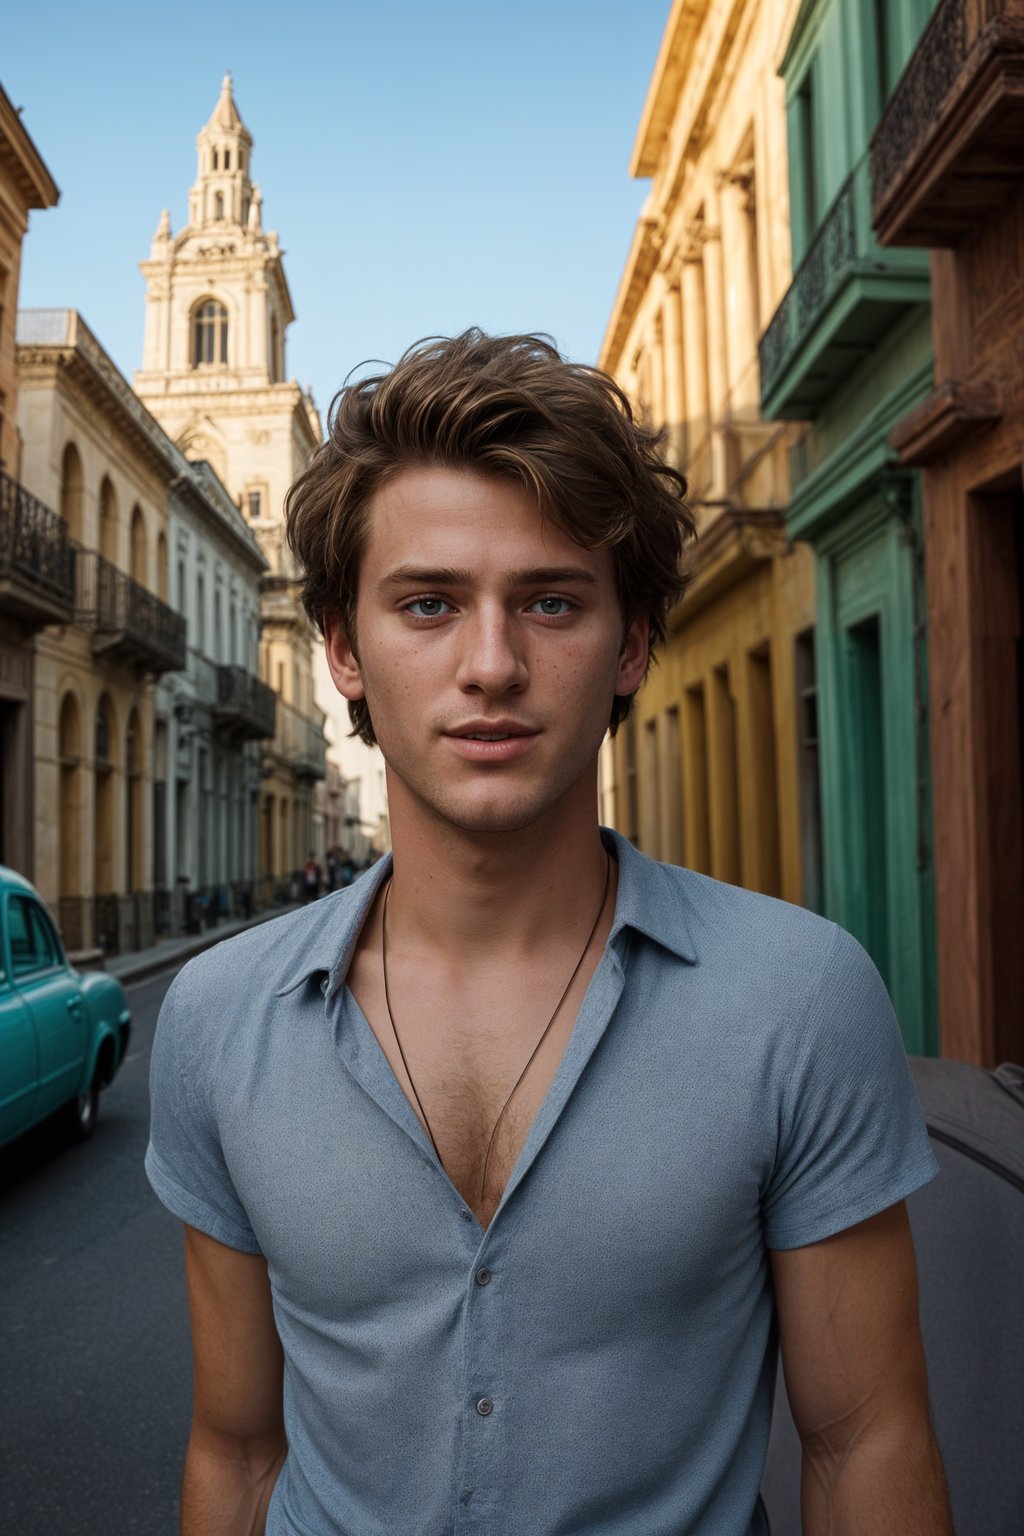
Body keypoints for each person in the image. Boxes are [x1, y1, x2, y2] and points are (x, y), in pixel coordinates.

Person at [146, 331, 953, 1536]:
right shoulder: (217, 1020)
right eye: (427, 604)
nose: (491, 665)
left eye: (552, 602)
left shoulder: (797, 996)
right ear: (343, 651)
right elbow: (236, 1450)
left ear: (629, 644)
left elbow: (863, 1441)